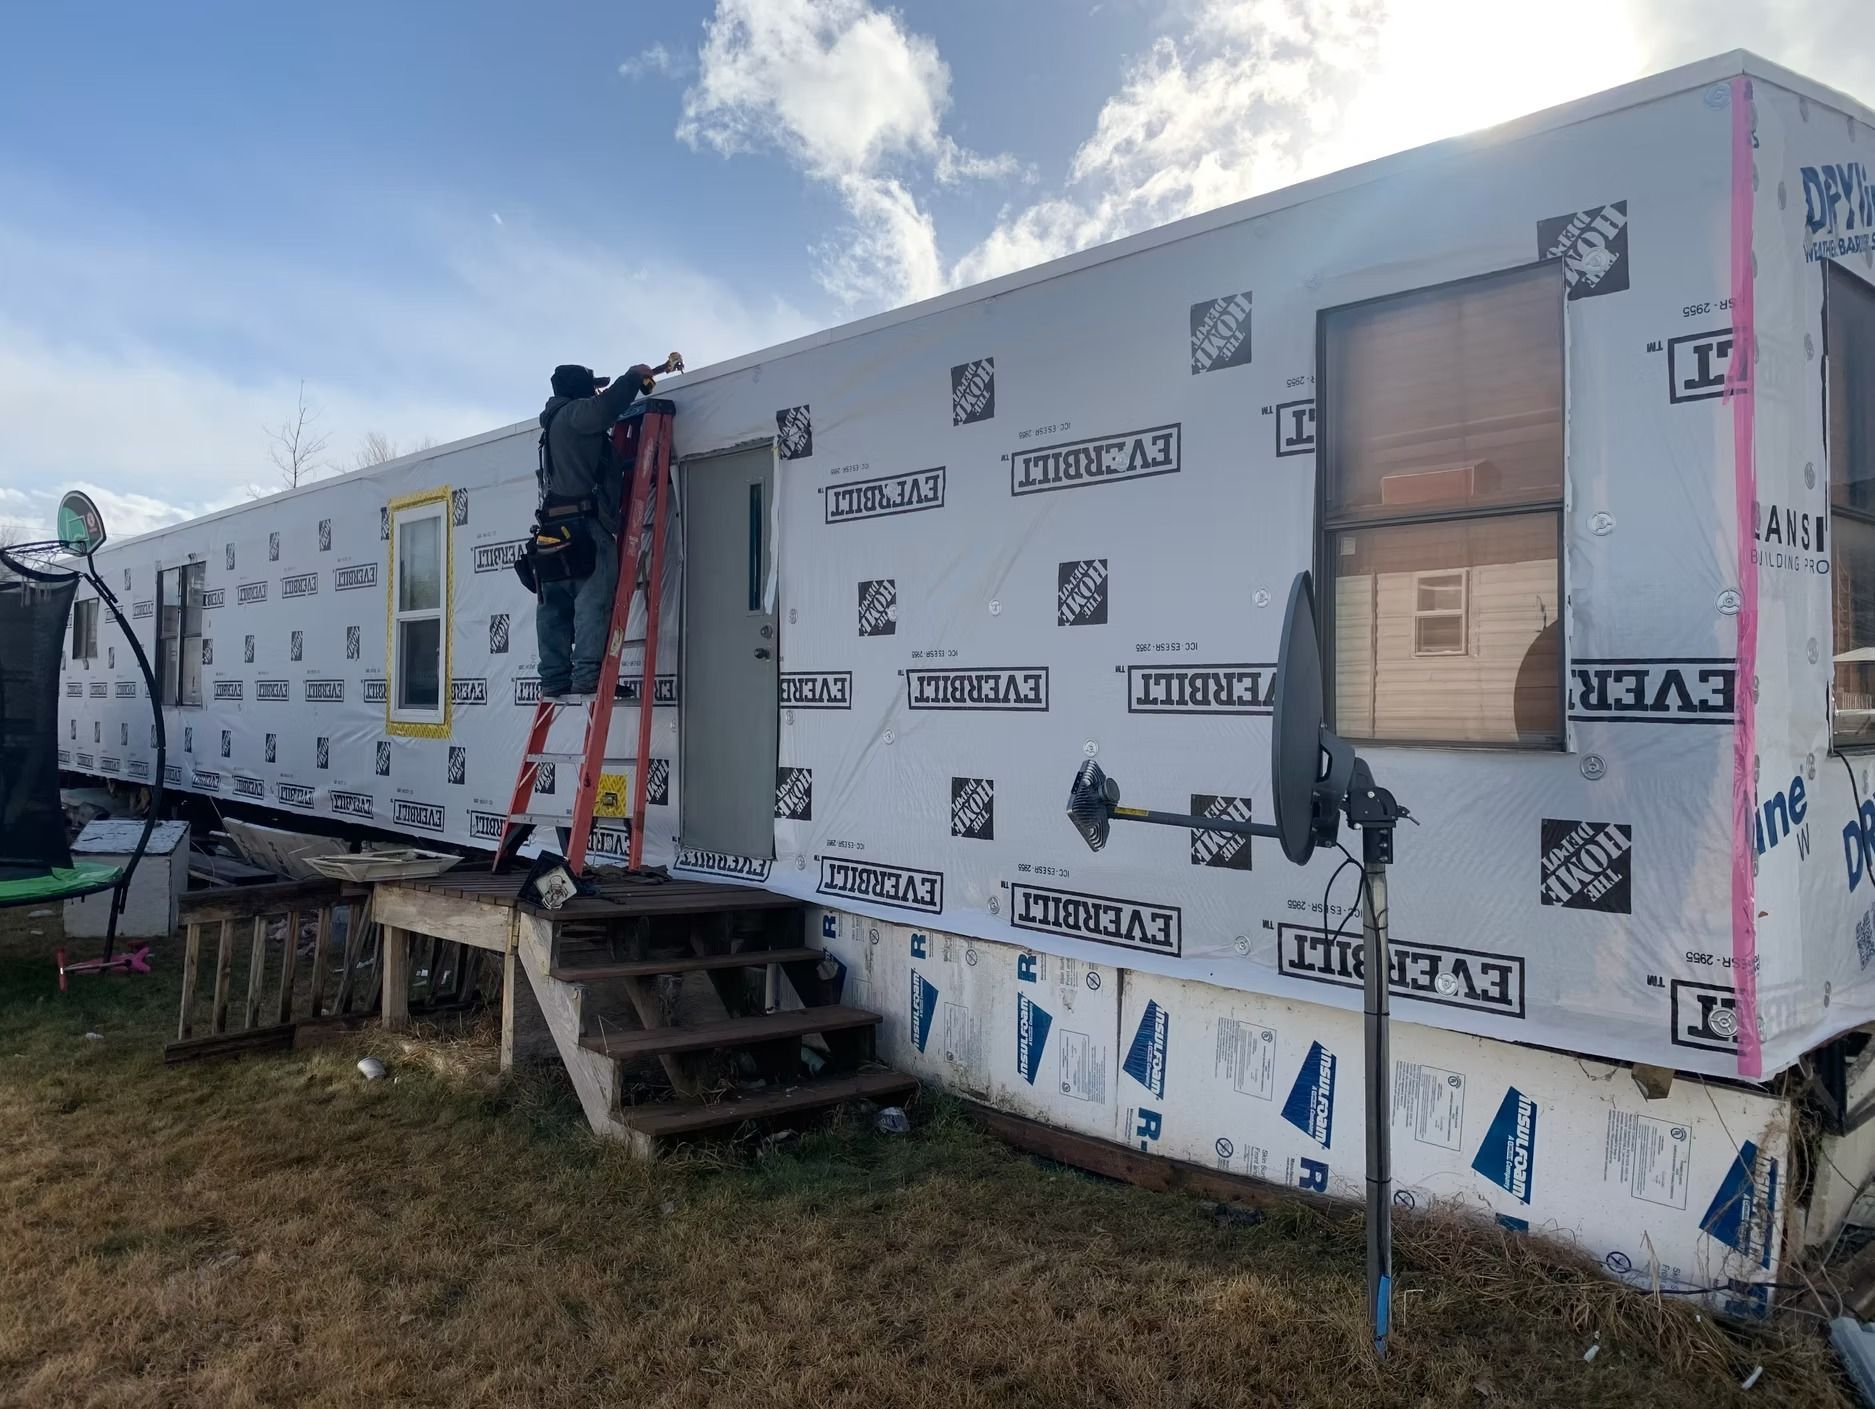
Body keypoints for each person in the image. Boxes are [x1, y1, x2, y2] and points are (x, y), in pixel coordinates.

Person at [533, 362, 653, 701]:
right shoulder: (574, 414)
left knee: (554, 606)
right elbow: (604, 409)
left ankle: (555, 678)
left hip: (552, 529)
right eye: (593, 387)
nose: (597, 392)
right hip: (583, 527)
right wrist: (631, 378)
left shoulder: (553, 421)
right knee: (592, 602)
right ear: (578, 390)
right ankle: (588, 676)